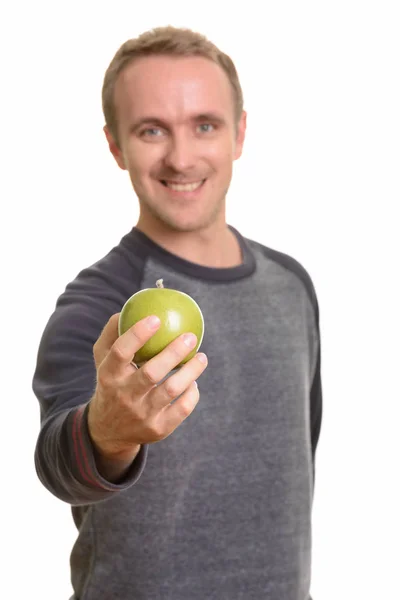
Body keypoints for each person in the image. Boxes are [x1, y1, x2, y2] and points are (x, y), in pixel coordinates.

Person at [32, 25, 323, 600]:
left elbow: (297, 466)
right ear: (116, 146)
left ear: (239, 134)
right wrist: (106, 435)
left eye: (205, 126)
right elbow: (56, 461)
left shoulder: (292, 286)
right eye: (151, 131)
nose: (181, 157)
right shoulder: (99, 304)